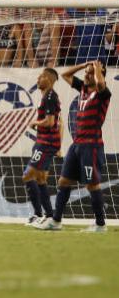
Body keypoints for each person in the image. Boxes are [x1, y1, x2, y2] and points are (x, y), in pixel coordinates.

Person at [36, 61, 112, 232]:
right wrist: (86, 65)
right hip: (76, 145)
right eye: (86, 72)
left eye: (89, 73)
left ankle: (100, 225)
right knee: (63, 181)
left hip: (91, 147)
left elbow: (100, 83)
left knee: (92, 184)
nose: (86, 75)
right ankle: (56, 221)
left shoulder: (103, 94)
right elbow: (65, 75)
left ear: (99, 74)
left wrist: (97, 70)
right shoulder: (83, 89)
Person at [23, 68, 61, 225]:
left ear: (49, 80)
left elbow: (51, 122)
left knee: (27, 175)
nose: (38, 79)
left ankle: (40, 214)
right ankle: (48, 216)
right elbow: (58, 122)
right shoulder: (46, 97)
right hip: (44, 141)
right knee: (40, 178)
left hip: (46, 143)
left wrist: (34, 122)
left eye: (42, 76)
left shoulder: (51, 96)